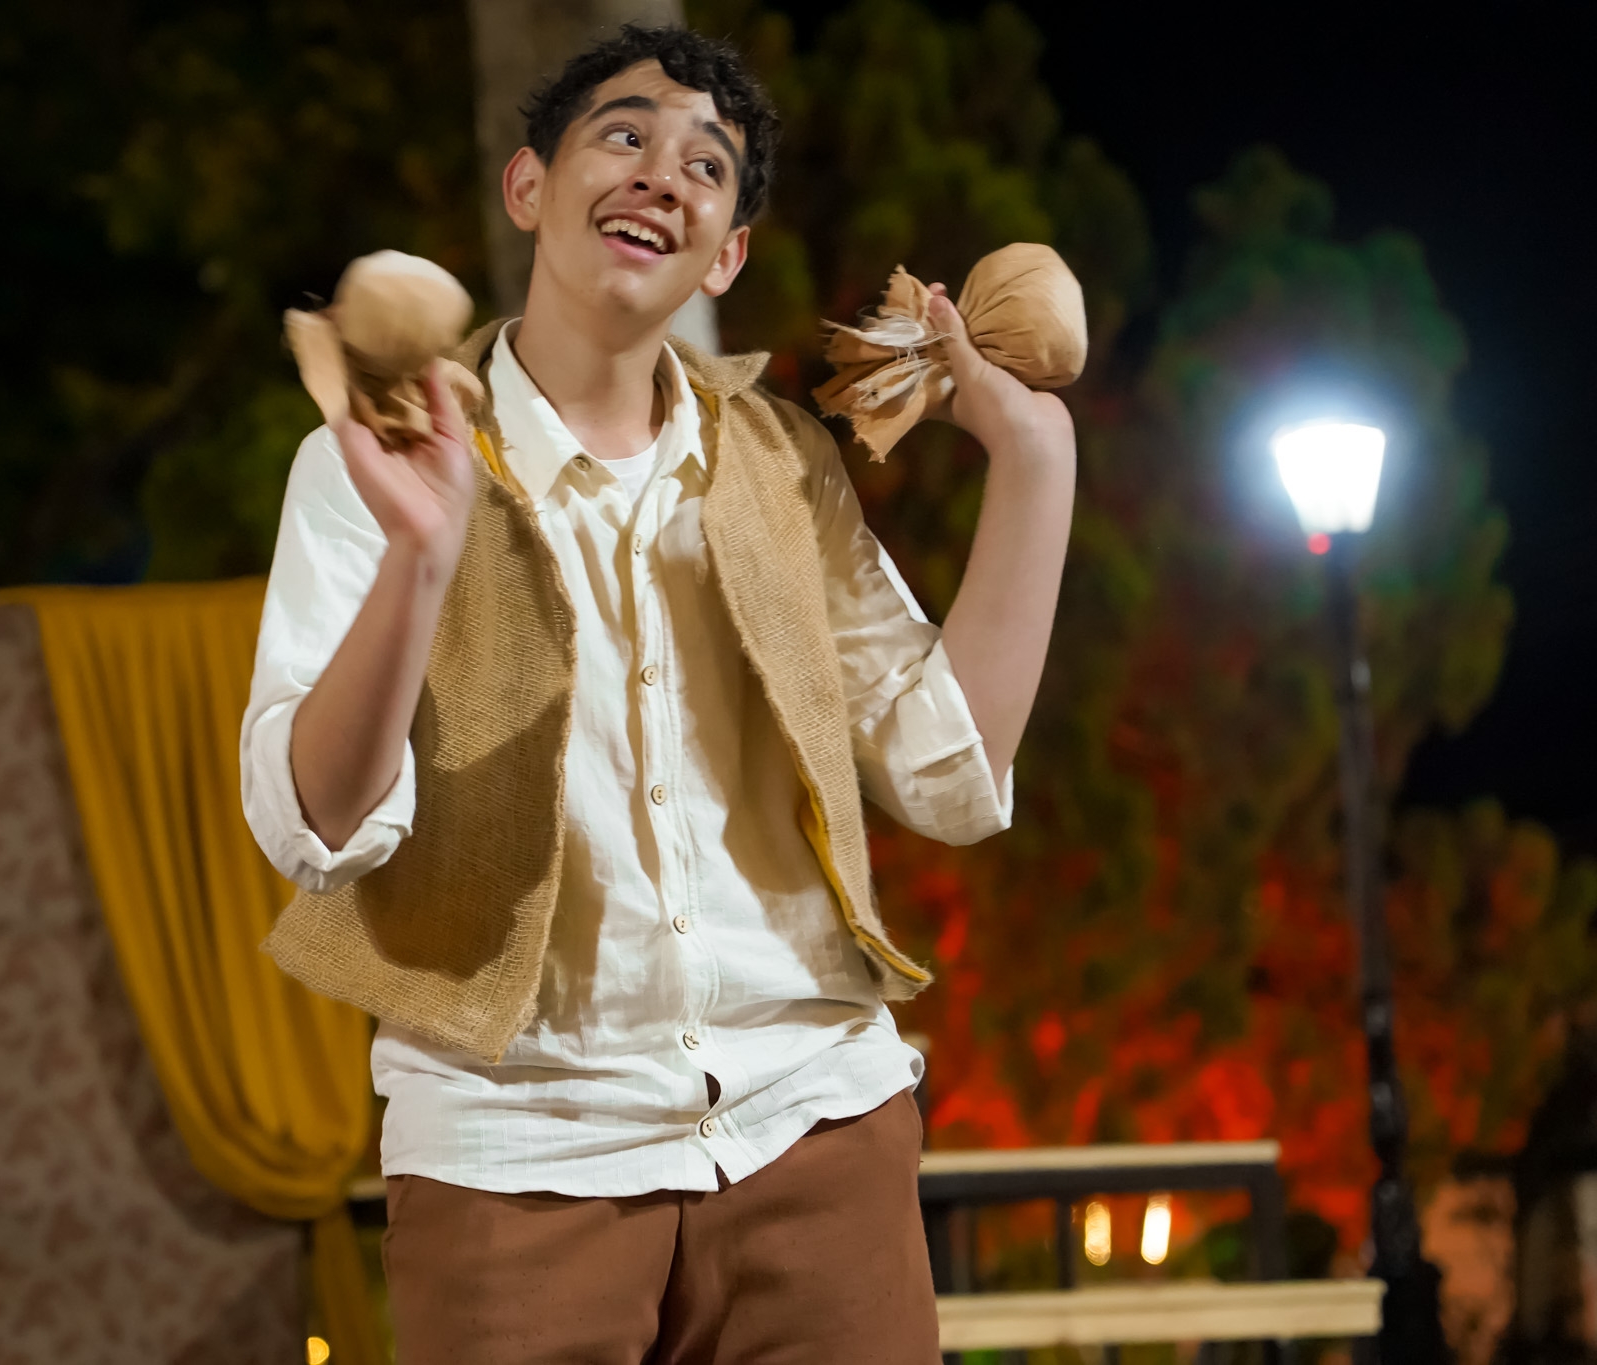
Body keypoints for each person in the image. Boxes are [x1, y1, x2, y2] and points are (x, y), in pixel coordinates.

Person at [242, 24, 1075, 1363]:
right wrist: (420, 558)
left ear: (725, 255)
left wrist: (1037, 468)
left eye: (706, 166)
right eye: (623, 136)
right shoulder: (372, 463)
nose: (661, 176)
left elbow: (947, 775)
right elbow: (319, 826)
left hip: (817, 1124)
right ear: (529, 186)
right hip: (517, 1154)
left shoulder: (786, 467)